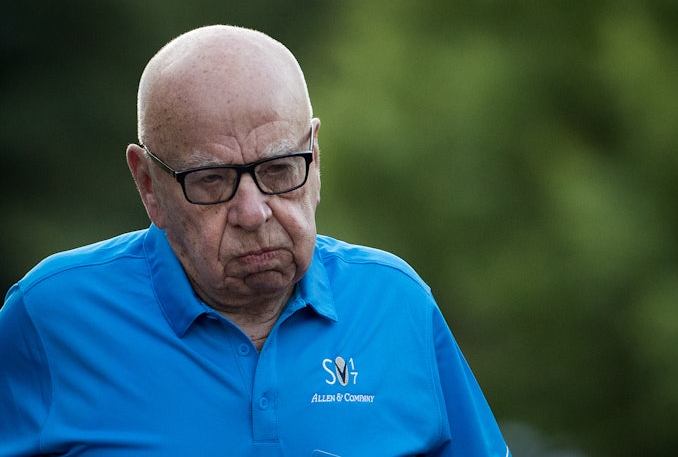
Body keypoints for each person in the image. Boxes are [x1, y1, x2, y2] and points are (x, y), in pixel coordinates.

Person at [0, 25, 510, 456]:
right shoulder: (51, 316)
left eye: (279, 169)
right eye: (211, 180)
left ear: (315, 157)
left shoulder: (396, 304)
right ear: (148, 185)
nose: (253, 212)